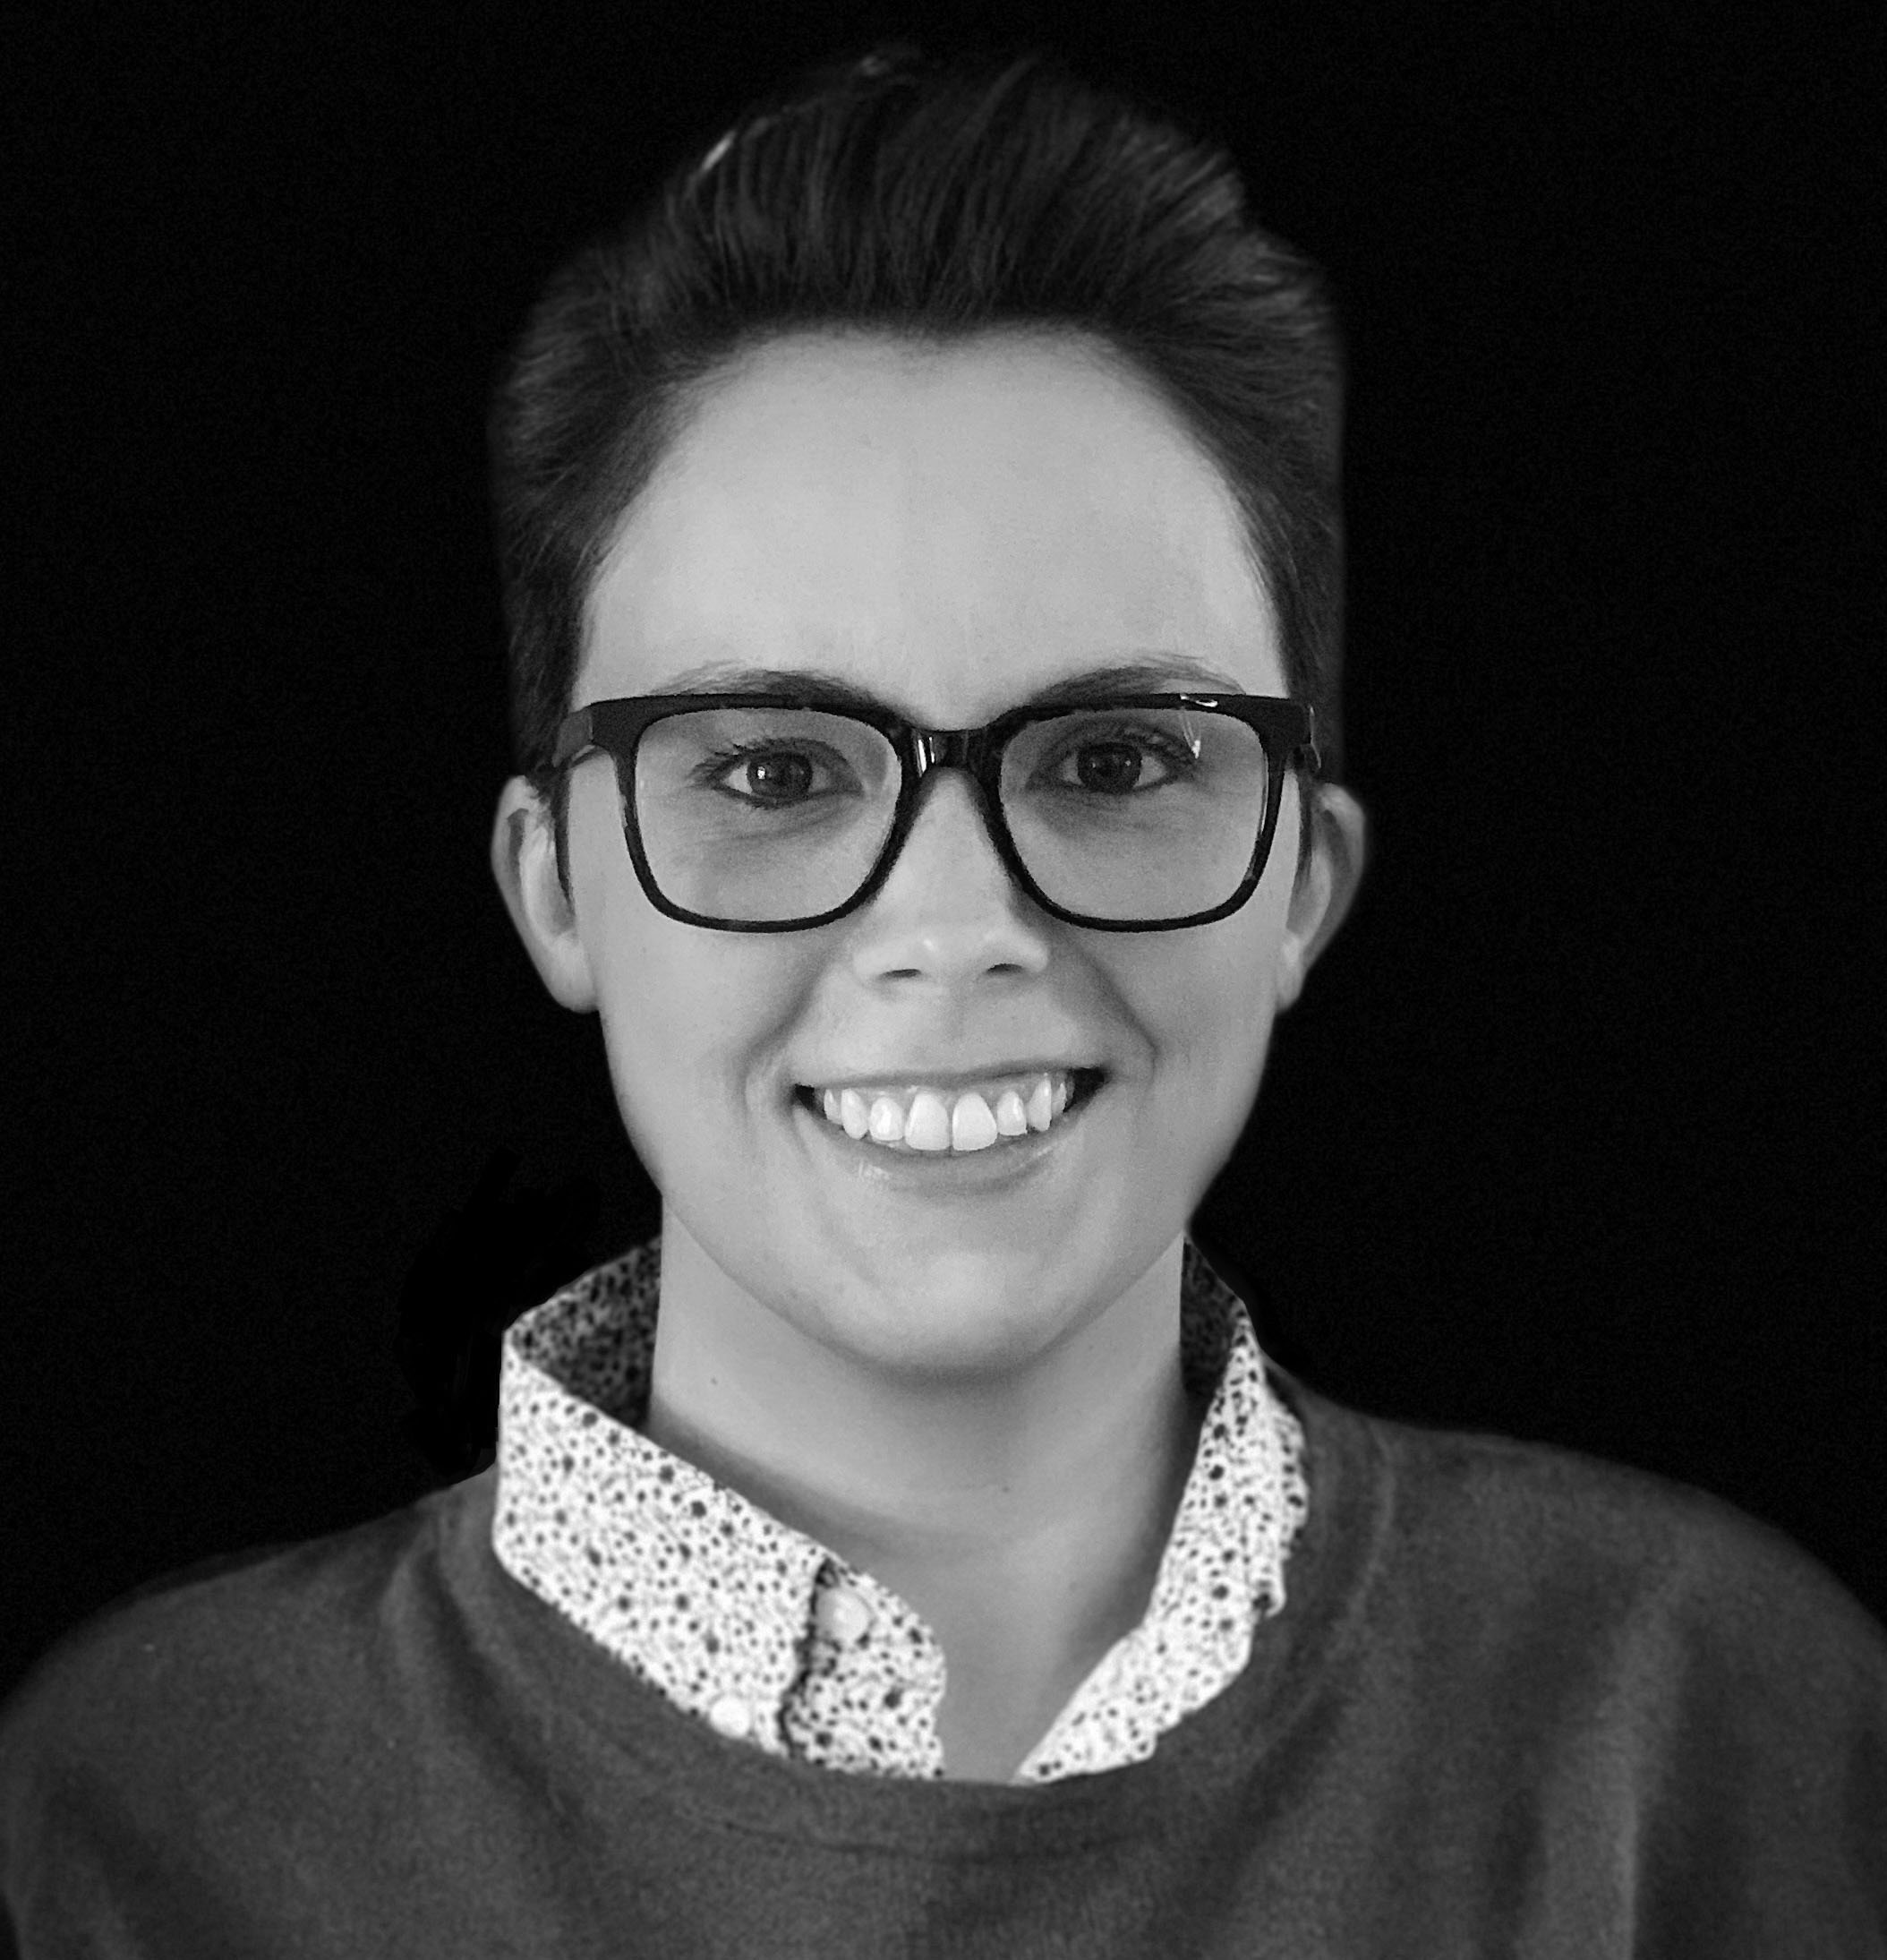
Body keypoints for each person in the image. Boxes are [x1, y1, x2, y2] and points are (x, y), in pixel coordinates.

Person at [3, 41, 1883, 1958]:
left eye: (1116, 762)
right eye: (773, 773)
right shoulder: (127, 1816)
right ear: (555, 886)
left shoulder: (1721, 1727)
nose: (959, 922)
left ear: (1302, 886)